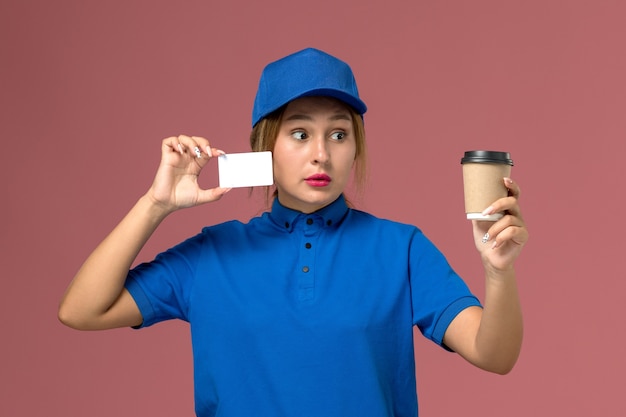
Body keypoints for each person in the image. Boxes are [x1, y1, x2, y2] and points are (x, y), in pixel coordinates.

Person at [58, 47, 527, 417]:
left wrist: (498, 272)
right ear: (266, 147)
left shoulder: (401, 248)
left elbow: (495, 354)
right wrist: (155, 205)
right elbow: (81, 310)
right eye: (300, 134)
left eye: (339, 134)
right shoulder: (211, 254)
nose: (321, 153)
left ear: (355, 148)